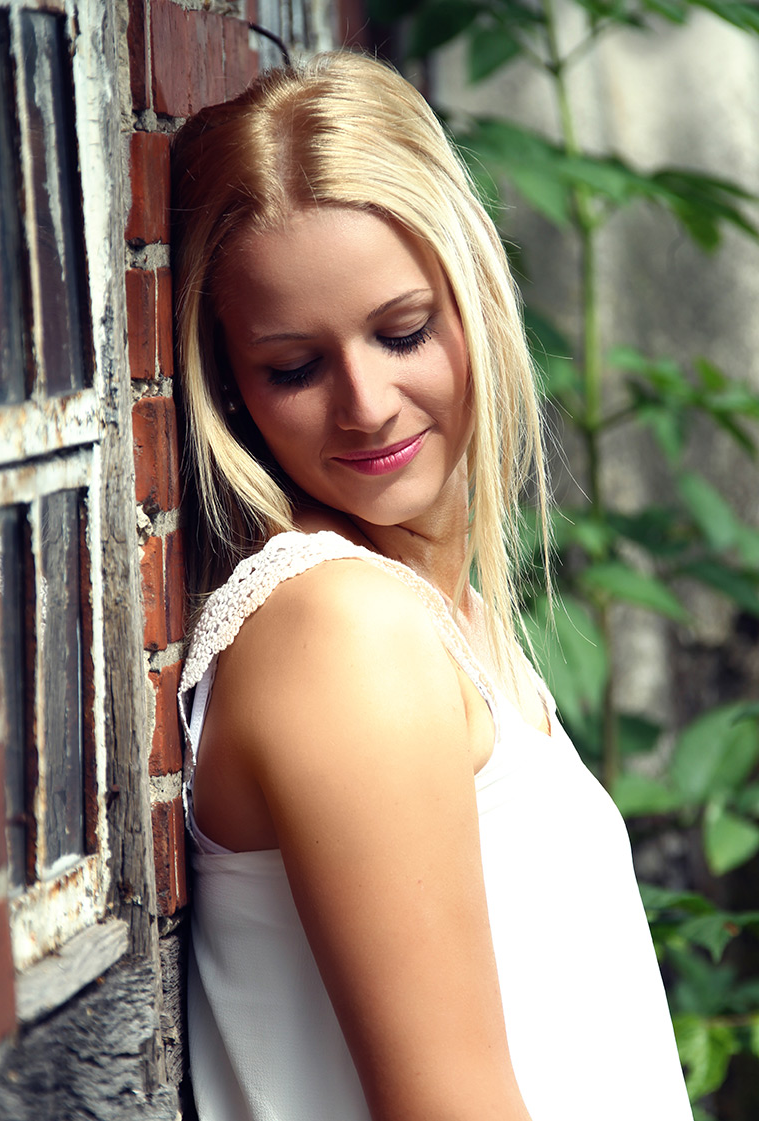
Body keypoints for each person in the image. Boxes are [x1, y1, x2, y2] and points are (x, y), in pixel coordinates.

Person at [171, 51, 692, 1121]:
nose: (365, 403)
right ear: (232, 386)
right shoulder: (342, 627)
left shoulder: (437, 615)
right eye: (293, 367)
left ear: (475, 297)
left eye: (401, 331)